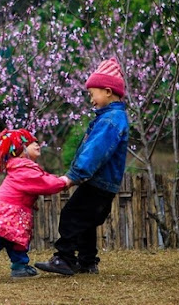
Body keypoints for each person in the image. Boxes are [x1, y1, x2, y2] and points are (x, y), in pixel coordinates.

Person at [35, 57, 129, 276]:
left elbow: (95, 151)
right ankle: (87, 262)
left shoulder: (111, 120)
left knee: (70, 217)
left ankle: (64, 259)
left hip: (97, 183)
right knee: (86, 223)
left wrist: (74, 175)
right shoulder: (111, 117)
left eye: (92, 93)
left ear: (107, 91)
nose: (91, 99)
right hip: (102, 184)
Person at [0, 128, 72, 283]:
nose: (37, 144)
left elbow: (42, 177)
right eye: (31, 142)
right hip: (5, 214)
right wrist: (63, 181)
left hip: (10, 214)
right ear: (20, 150)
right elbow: (44, 183)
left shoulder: (23, 167)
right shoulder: (23, 169)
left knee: (15, 240)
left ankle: (19, 267)